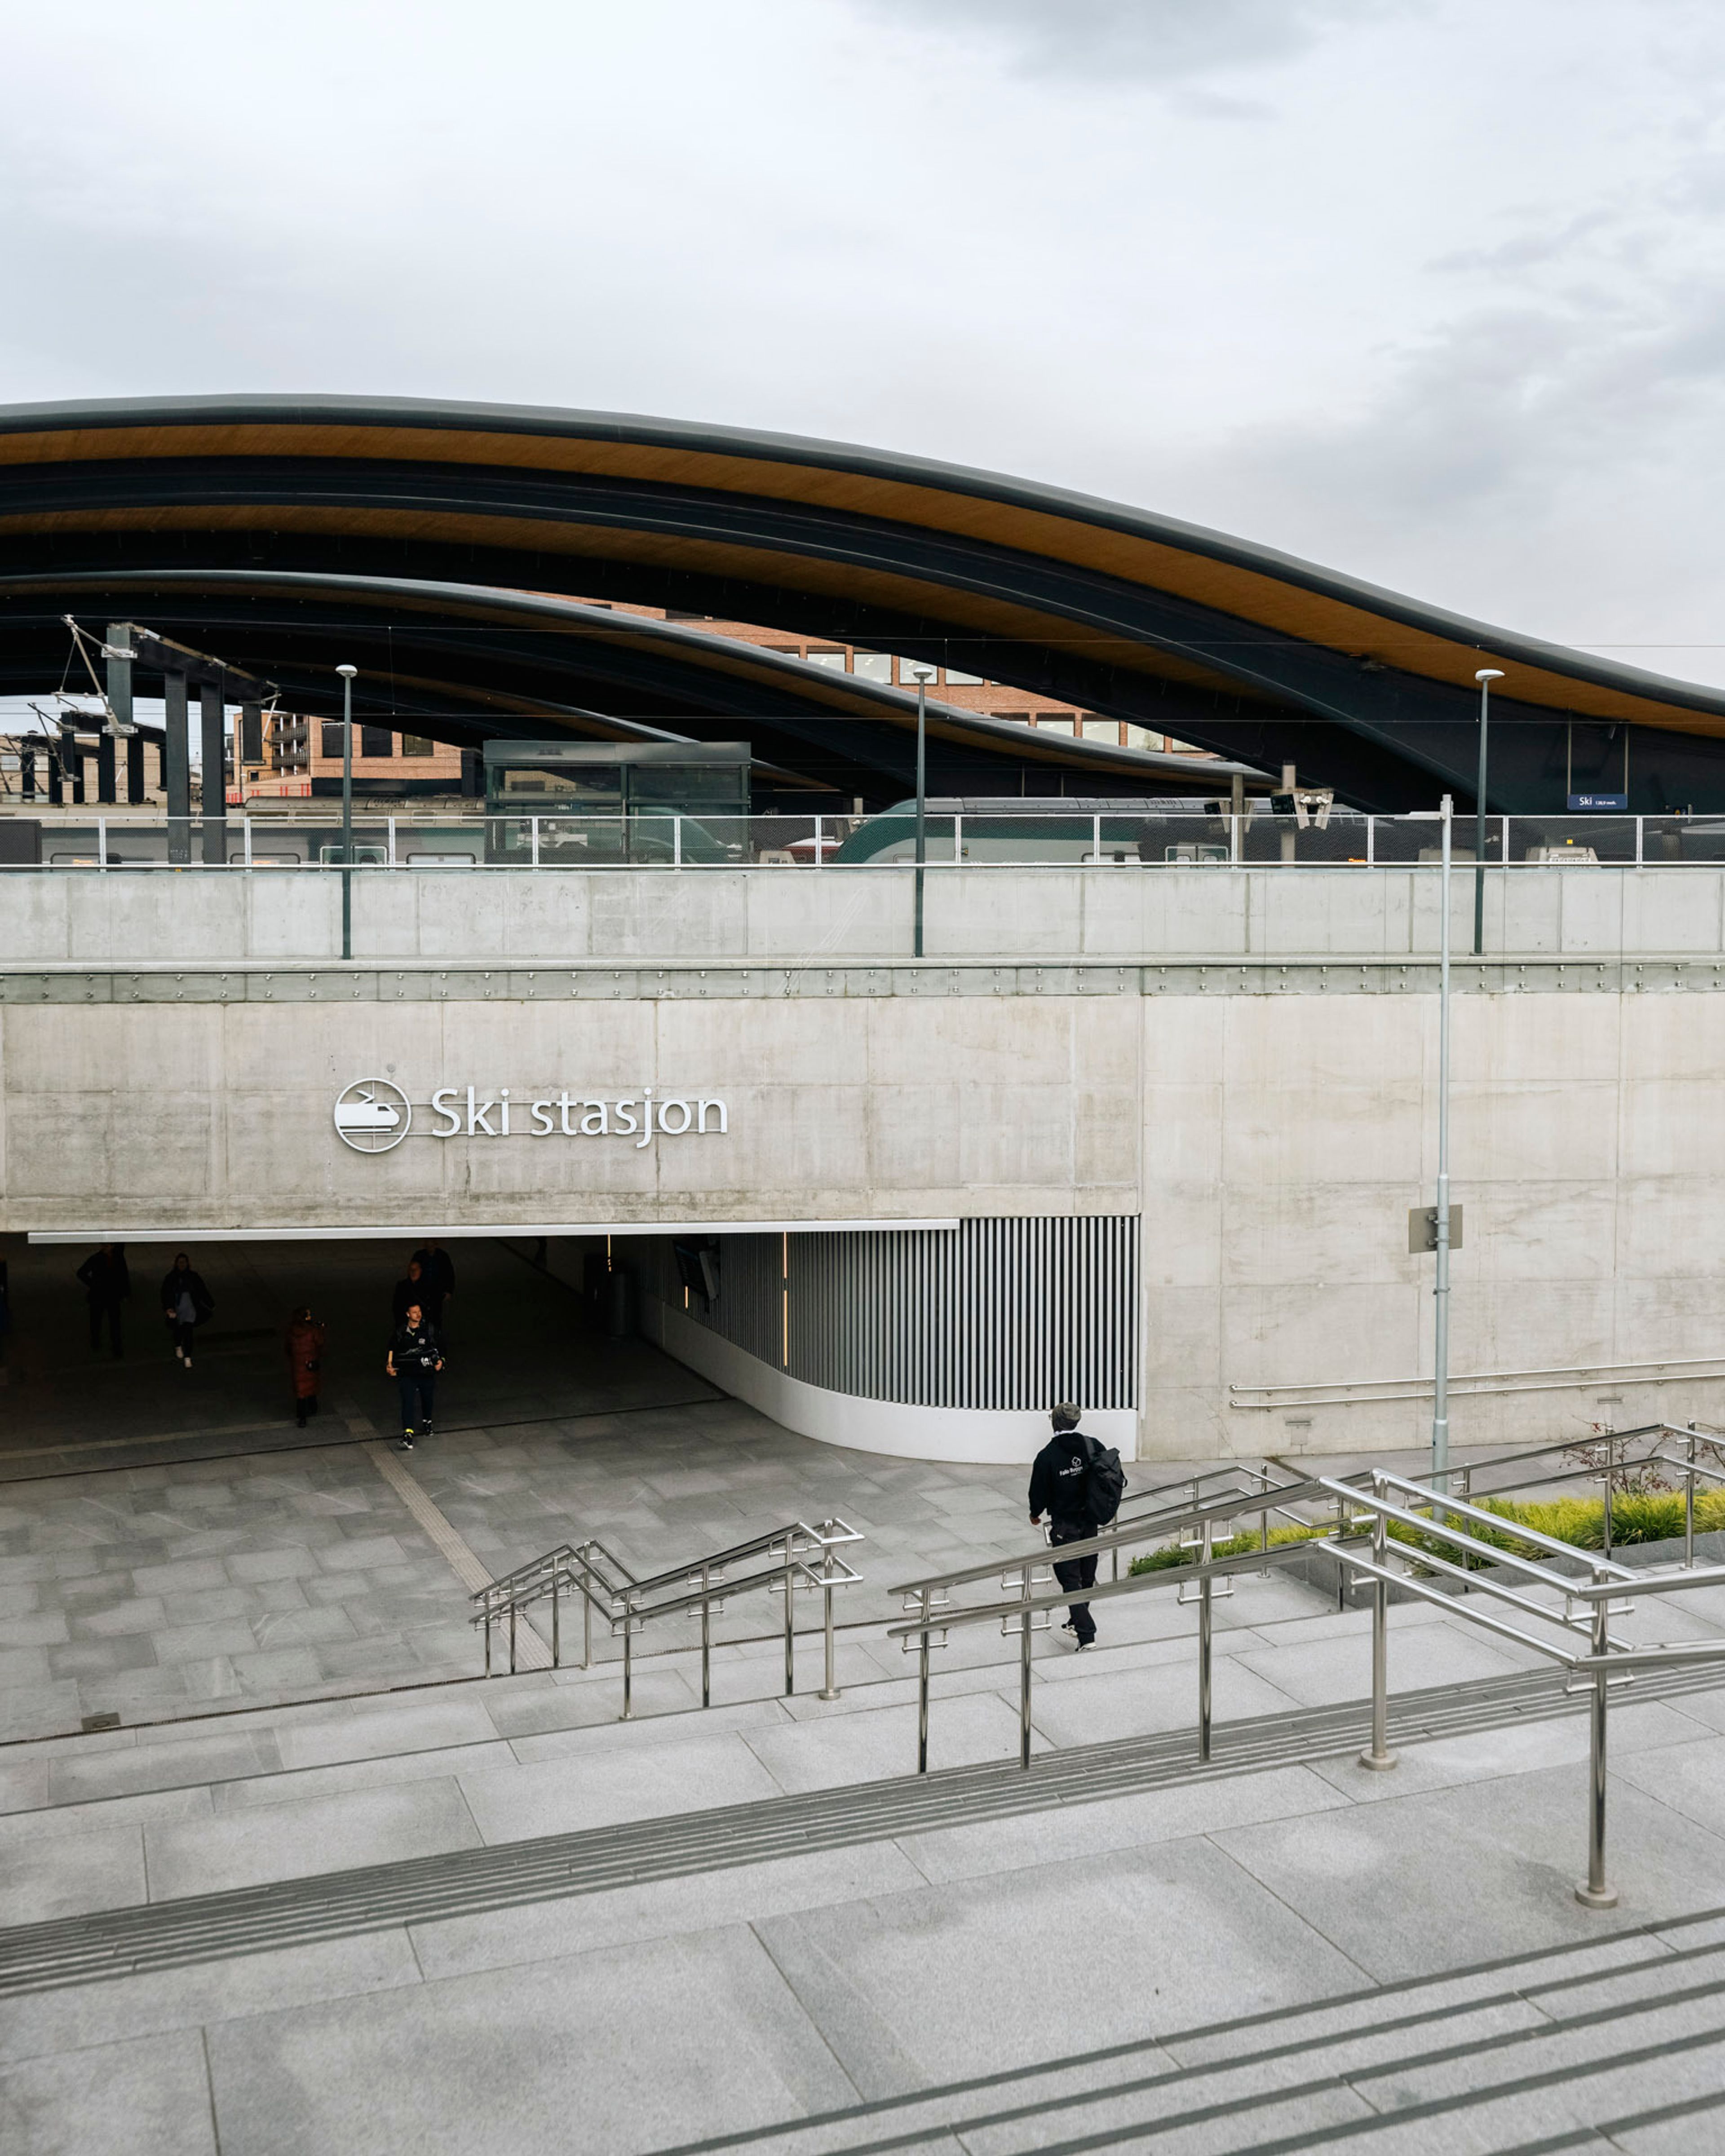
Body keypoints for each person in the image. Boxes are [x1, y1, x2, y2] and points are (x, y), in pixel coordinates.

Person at [1028, 1402, 1100, 1649]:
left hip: (1065, 1525)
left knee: (1070, 1578)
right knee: (1087, 1574)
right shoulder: (1092, 1446)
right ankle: (1075, 1621)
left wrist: (1035, 1513)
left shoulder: (1047, 1456)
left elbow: (1038, 1492)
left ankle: (1086, 1635)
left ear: (1054, 1422)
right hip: (1090, 1521)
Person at [386, 1299, 442, 1451]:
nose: (418, 1315)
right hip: (407, 1374)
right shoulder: (401, 1332)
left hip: (425, 1373)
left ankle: (427, 1422)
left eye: (419, 1312)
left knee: (427, 1399)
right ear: (408, 1314)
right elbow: (392, 1347)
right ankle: (408, 1434)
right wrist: (390, 1365)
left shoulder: (429, 1329)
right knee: (408, 1402)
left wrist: (441, 1361)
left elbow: (441, 1346)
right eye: (415, 1312)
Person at [159, 1252, 213, 1368]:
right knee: (179, 1330)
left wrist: (210, 1303)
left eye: (184, 1262)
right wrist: (168, 1308)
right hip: (177, 1310)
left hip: (190, 1309)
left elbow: (202, 1290)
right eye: (180, 1262)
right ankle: (178, 1345)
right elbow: (166, 1294)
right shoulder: (171, 1278)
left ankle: (188, 1356)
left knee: (188, 1332)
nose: (182, 1265)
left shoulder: (193, 1277)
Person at [76, 1244, 130, 1359]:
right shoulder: (97, 1259)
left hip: (112, 1296)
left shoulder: (117, 1258)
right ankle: (97, 1342)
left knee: (114, 1323)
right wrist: (94, 1285)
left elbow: (124, 1275)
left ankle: (115, 1347)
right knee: (97, 1321)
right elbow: (81, 1273)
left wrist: (125, 1292)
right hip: (100, 1296)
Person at [285, 1306, 327, 1428]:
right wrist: (321, 1330)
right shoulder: (313, 1331)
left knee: (301, 1392)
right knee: (312, 1386)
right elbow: (320, 1343)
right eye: (309, 1315)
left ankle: (302, 1417)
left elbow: (287, 1348)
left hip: (298, 1365)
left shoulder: (292, 1331)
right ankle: (313, 1407)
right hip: (310, 1363)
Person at [409, 1240, 455, 1330]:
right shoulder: (419, 1256)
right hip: (422, 1290)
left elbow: (449, 1273)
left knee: (436, 1313)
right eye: (428, 1246)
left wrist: (449, 1291)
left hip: (437, 1290)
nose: (430, 1248)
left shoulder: (443, 1256)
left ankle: (436, 1333)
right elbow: (412, 1271)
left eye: (432, 1246)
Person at [390, 1258, 428, 1329]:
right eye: (411, 1270)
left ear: (421, 1271)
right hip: (406, 1323)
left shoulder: (427, 1287)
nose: (413, 1272)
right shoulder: (402, 1286)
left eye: (416, 1270)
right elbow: (397, 1306)